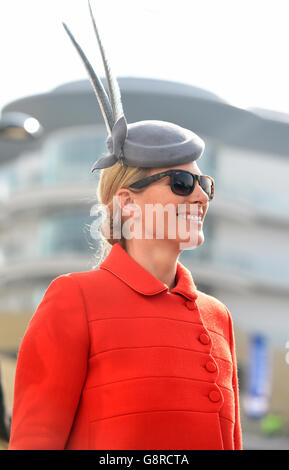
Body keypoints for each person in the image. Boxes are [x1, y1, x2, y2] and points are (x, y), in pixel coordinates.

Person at [8, 1, 242, 450]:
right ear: (127, 203)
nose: (199, 195)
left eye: (203, 183)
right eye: (180, 181)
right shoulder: (73, 299)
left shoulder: (219, 316)